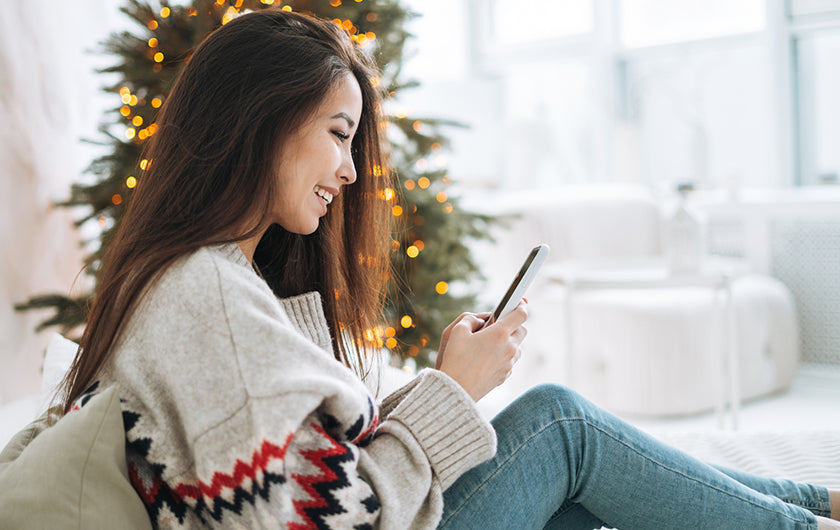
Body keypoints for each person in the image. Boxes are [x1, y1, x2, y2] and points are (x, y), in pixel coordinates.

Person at [58, 8, 839, 529]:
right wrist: (451, 394)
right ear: (260, 120)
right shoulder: (206, 297)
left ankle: (813, 503)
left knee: (583, 499)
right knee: (560, 426)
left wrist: (438, 385)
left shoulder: (198, 280)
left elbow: (311, 463)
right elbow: (317, 518)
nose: (350, 172)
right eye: (338, 134)